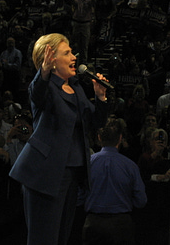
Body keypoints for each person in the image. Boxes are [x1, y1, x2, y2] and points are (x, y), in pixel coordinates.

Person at [9, 33, 109, 245]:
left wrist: (101, 98)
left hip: (72, 172)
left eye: (72, 52)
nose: (74, 57)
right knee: (43, 239)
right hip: (45, 174)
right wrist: (43, 73)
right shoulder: (44, 87)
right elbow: (36, 93)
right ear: (51, 61)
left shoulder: (77, 87)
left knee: (61, 238)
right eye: (67, 53)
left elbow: (95, 122)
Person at [83, 119, 147, 245]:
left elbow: (79, 195)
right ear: (120, 138)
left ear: (99, 138)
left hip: (93, 222)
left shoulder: (89, 163)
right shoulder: (130, 166)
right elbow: (141, 200)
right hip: (121, 224)